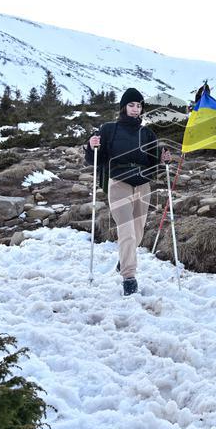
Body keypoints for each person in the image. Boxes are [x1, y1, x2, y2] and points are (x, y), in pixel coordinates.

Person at [86, 88, 172, 296]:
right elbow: (94, 159)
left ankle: (124, 259)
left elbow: (154, 164)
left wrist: (163, 160)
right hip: (118, 184)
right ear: (124, 107)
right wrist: (90, 146)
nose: (135, 109)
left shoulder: (147, 133)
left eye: (139, 105)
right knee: (127, 231)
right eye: (131, 105)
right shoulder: (109, 129)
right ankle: (129, 277)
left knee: (138, 234)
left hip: (142, 186)